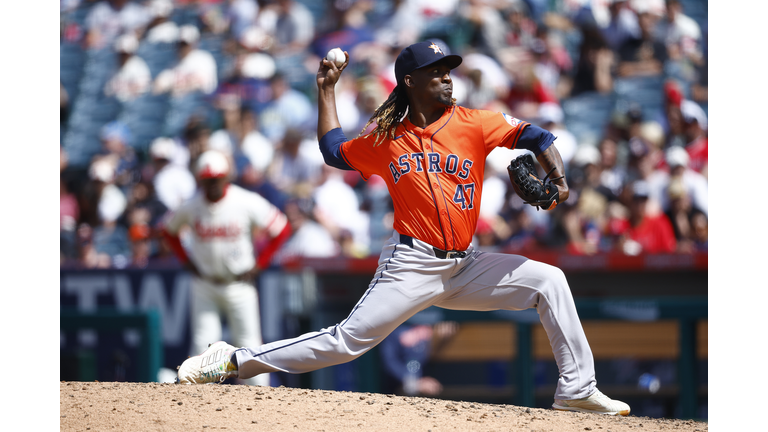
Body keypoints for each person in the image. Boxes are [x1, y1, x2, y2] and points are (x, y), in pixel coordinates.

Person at [176, 41, 631, 416]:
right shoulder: (386, 138)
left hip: (465, 265)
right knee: (345, 342)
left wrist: (560, 182)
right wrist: (327, 91)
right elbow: (333, 151)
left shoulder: (475, 123)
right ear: (410, 81)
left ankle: (577, 389)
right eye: (436, 72)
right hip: (411, 264)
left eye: (449, 71)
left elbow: (538, 136)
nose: (447, 78)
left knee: (550, 280)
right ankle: (232, 360)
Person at [162, 150, 292, 386]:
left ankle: (260, 401)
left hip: (239, 283)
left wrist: (261, 263)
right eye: (207, 180)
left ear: (226, 178)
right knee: (202, 346)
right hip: (205, 283)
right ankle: (196, 404)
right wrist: (185, 259)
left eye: (217, 178)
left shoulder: (245, 200)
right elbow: (168, 230)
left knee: (249, 345)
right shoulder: (191, 205)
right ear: (200, 180)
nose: (212, 184)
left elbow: (281, 228)